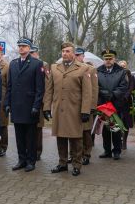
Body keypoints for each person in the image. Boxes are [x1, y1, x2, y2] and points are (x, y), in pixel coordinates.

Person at [43, 42, 92, 176]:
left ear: (74, 53)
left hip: (75, 109)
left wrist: (85, 110)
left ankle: (77, 164)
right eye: (63, 51)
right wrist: (47, 107)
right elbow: (49, 89)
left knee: (76, 139)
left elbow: (87, 92)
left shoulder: (83, 68)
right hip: (59, 109)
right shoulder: (54, 68)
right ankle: (62, 163)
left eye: (68, 51)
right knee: (61, 137)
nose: (65, 53)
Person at [5, 39, 45, 172]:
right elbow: (9, 86)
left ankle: (31, 161)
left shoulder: (36, 64)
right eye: (20, 46)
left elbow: (40, 89)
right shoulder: (13, 63)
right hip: (16, 106)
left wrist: (36, 106)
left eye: (24, 46)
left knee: (30, 136)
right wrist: (8, 103)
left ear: (29, 48)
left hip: (29, 107)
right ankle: (21, 159)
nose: (21, 48)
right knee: (19, 135)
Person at [97, 49, 129, 160]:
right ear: (103, 59)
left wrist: (113, 94)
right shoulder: (98, 71)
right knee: (105, 128)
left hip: (116, 104)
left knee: (116, 128)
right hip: (103, 104)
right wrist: (104, 93)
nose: (108, 61)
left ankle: (117, 151)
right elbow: (96, 86)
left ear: (114, 59)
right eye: (106, 59)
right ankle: (107, 150)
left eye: (110, 58)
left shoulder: (121, 71)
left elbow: (124, 86)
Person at [74, 47, 98, 165]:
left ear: (83, 56)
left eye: (79, 55)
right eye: (76, 55)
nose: (77, 58)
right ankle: (74, 155)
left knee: (86, 132)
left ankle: (86, 154)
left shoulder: (90, 69)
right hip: (73, 107)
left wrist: (92, 107)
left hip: (86, 107)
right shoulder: (71, 69)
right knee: (73, 132)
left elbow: (94, 89)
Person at [29, 45, 50, 161]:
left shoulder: (43, 64)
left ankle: (37, 151)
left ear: (37, 53)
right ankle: (29, 150)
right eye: (30, 53)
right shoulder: (26, 64)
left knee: (37, 128)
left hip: (39, 102)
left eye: (33, 53)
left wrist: (45, 103)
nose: (31, 55)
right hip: (27, 101)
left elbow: (47, 84)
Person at [117, 58, 135, 151]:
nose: (123, 67)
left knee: (126, 122)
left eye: (124, 66)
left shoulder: (130, 76)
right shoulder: (116, 75)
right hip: (117, 102)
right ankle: (119, 140)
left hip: (127, 102)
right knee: (117, 121)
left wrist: (126, 96)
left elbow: (131, 87)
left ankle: (124, 141)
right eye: (121, 66)